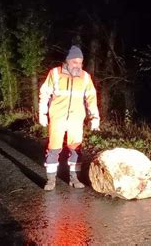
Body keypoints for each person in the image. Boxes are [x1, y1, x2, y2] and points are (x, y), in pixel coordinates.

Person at [38, 45, 100, 191]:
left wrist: (94, 117)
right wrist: (42, 113)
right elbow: (44, 93)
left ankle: (74, 178)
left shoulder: (85, 77)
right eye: (75, 62)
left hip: (76, 118)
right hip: (58, 117)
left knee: (75, 148)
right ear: (67, 61)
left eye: (80, 63)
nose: (78, 65)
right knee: (54, 148)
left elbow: (91, 97)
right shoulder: (54, 73)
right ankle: (51, 180)